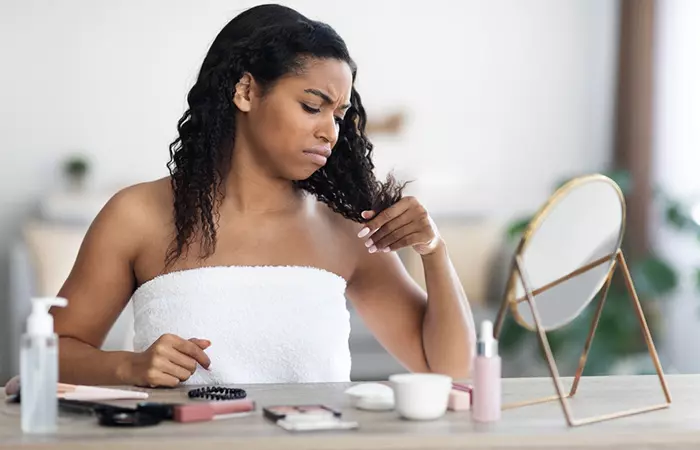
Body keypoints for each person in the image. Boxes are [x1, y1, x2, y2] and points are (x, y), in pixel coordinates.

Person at [51, 3, 476, 387]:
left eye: (339, 115)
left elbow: (449, 369)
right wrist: (129, 367)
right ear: (246, 92)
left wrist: (433, 250)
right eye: (313, 106)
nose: (330, 131)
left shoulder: (346, 230)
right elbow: (50, 353)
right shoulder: (138, 215)